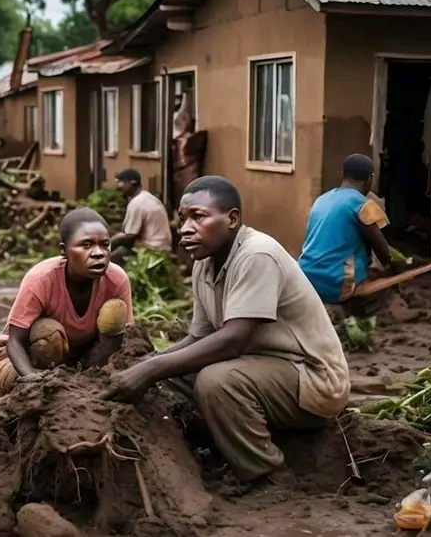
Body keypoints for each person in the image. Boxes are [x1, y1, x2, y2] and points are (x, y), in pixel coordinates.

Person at [103, 176, 350, 490]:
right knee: (173, 373)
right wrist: (145, 364)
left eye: (199, 216)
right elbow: (198, 338)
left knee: (215, 381)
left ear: (232, 219)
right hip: (263, 370)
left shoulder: (257, 254)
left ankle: (269, 476)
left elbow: (234, 339)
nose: (186, 228)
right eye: (182, 219)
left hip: (313, 380)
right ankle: (208, 442)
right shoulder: (204, 265)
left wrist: (150, 369)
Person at [0, 207, 134, 396]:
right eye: (86, 245)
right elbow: (15, 342)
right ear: (64, 251)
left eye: (105, 245)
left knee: (115, 316)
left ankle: (87, 381)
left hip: (80, 364)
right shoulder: (41, 279)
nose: (98, 253)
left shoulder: (117, 279)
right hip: (21, 363)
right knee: (48, 332)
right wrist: (33, 379)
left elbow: (129, 336)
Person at [299, 154, 394, 309]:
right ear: (370, 179)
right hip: (334, 284)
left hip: (305, 277)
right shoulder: (361, 204)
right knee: (384, 284)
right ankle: (353, 315)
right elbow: (382, 250)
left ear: (343, 175)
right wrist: (393, 265)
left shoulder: (321, 200)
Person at [110, 168, 172, 266]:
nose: (118, 186)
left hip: (152, 250)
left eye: (121, 182)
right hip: (162, 247)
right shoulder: (146, 197)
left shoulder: (137, 203)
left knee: (110, 260)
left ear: (133, 182)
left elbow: (129, 237)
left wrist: (108, 244)